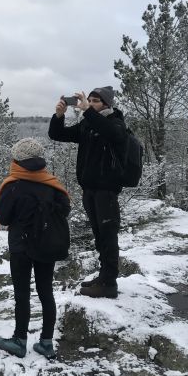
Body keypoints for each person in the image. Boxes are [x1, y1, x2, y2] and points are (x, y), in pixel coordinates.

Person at [0, 138, 71, 359]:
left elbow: (2, 216)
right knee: (46, 292)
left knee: (22, 294)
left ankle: (19, 340)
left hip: (21, 246)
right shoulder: (52, 183)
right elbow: (65, 209)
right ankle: (46, 342)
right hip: (47, 245)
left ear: (17, 159)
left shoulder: (14, 184)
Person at [48, 86, 127, 299]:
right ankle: (103, 277)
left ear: (107, 104)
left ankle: (109, 283)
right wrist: (59, 116)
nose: (91, 104)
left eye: (96, 101)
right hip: (89, 189)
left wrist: (87, 112)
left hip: (107, 191)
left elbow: (112, 134)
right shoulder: (88, 124)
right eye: (89, 100)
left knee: (108, 235)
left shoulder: (116, 122)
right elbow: (58, 134)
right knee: (99, 235)